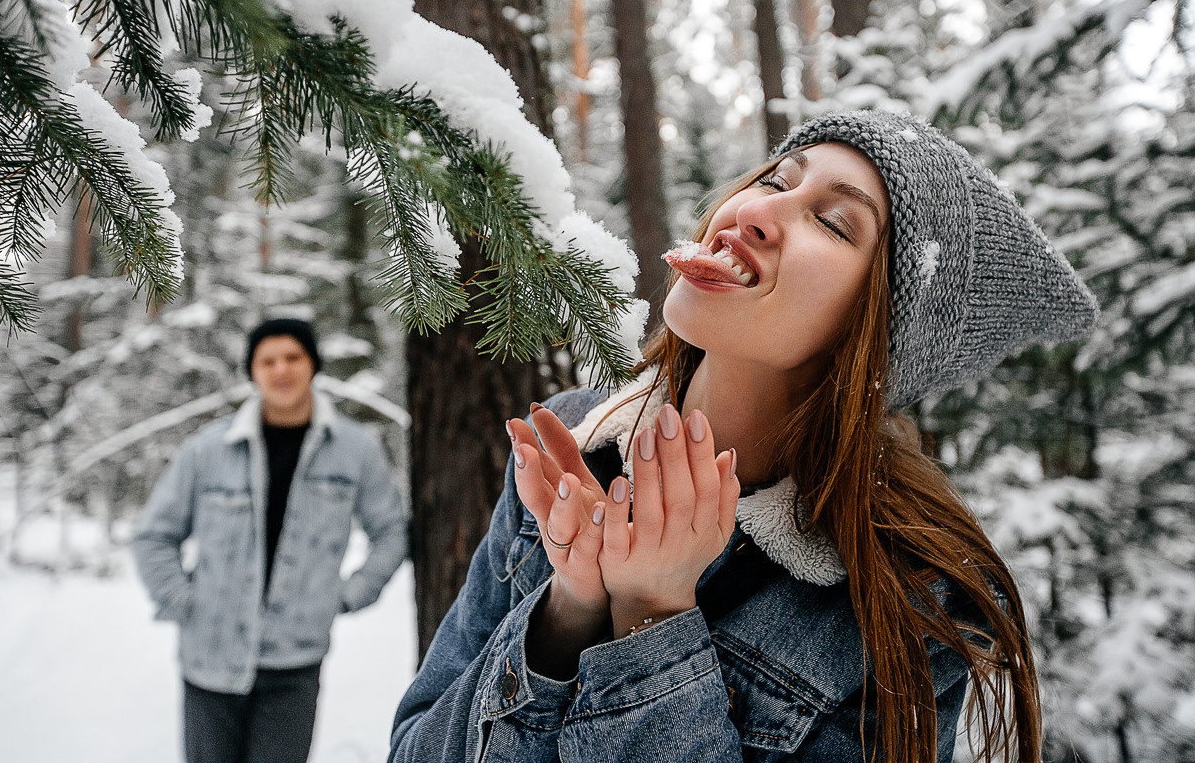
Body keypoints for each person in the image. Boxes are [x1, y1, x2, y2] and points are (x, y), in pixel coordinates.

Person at [387, 110, 1098, 763]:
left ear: (879, 331)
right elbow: (414, 749)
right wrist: (568, 613)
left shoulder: (908, 604)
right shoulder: (576, 441)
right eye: (776, 181)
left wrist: (652, 618)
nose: (755, 212)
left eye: (833, 223)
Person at [133, 317, 407, 763]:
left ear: (313, 364)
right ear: (253, 371)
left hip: (294, 663)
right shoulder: (209, 448)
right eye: (268, 360)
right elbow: (153, 535)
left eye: (293, 357)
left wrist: (349, 594)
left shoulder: (356, 450)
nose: (282, 369)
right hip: (210, 660)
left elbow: (391, 531)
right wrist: (185, 601)